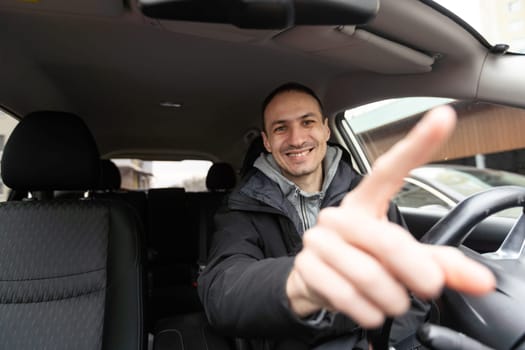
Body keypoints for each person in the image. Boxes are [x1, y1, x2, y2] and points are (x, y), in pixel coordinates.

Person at [197, 82, 495, 349]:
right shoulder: (241, 208)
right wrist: (303, 284)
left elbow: (413, 295)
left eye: (307, 122)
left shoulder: (367, 196)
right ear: (266, 141)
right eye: (280, 128)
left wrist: (381, 343)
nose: (297, 138)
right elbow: (223, 293)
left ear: (326, 130)